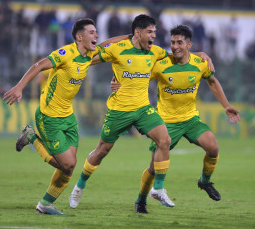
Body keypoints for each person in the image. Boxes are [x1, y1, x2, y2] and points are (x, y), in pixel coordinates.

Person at [3, 18, 130, 215]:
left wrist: (130, 37)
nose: (96, 35)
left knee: (69, 168)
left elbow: (107, 45)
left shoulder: (89, 55)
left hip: (68, 117)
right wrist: (19, 87)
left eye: (96, 32)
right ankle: (32, 138)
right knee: (67, 164)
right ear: (80, 37)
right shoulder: (65, 53)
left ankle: (45, 204)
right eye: (91, 32)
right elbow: (38, 65)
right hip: (49, 117)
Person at [111, 25, 240, 213]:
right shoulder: (161, 64)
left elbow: (212, 81)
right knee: (153, 168)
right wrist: (117, 81)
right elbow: (138, 76)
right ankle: (141, 200)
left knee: (213, 148)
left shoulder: (200, 63)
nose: (175, 46)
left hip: (190, 120)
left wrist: (226, 105)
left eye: (180, 42)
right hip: (165, 122)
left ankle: (204, 182)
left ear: (189, 44)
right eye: (172, 42)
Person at [68, 14, 176, 211]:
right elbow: (90, 58)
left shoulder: (156, 52)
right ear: (137, 32)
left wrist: (203, 56)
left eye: (155, 32)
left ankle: (158, 188)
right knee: (101, 151)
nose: (153, 36)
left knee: (165, 140)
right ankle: (80, 185)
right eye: (149, 32)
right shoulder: (118, 49)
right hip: (119, 111)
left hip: (144, 109)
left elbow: (179, 56)